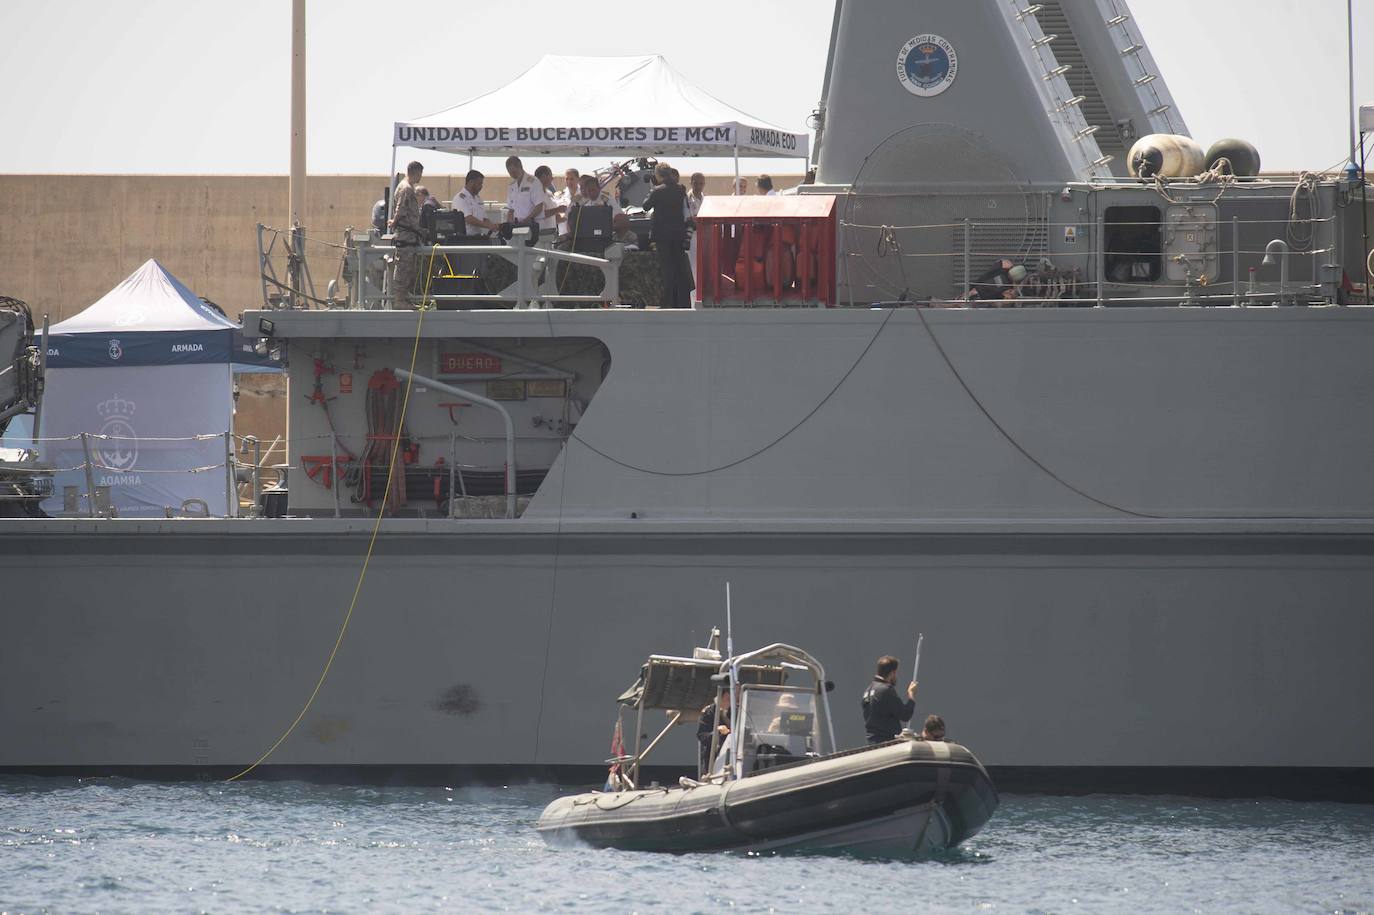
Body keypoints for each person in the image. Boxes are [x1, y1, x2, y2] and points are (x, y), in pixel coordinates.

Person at [642, 164, 693, 309]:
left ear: (658, 175)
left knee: (667, 270)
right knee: (680, 269)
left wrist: (652, 188)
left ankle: (668, 303)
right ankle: (682, 302)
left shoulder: (657, 190)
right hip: (678, 235)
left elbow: (645, 206)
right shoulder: (680, 190)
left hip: (662, 236)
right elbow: (685, 211)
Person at [388, 160, 425, 308]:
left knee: (409, 267)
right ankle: (399, 300)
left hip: (410, 234)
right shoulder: (406, 188)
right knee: (403, 266)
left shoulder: (406, 187)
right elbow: (401, 208)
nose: (420, 177)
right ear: (415, 172)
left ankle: (404, 298)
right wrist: (394, 221)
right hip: (406, 235)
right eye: (420, 174)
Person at [861, 655, 917, 743]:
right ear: (892, 673)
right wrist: (911, 694)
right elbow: (905, 715)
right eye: (896, 673)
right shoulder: (886, 690)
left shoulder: (867, 692)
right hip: (887, 742)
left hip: (872, 743)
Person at [503, 156, 545, 239]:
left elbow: (539, 206)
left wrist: (526, 220)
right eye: (510, 172)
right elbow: (511, 209)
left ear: (520, 167)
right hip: (516, 227)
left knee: (530, 251)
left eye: (514, 171)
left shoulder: (533, 182)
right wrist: (509, 223)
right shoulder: (512, 186)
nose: (512, 175)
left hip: (532, 225)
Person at [451, 170, 500, 237]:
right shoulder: (460, 198)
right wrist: (489, 226)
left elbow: (484, 218)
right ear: (471, 182)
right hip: (465, 238)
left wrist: (494, 226)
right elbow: (469, 219)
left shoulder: (478, 199)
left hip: (477, 237)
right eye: (479, 184)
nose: (481, 187)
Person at [697, 690, 733, 775]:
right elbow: (701, 736)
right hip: (713, 758)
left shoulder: (735, 711)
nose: (730, 702)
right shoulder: (709, 712)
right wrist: (717, 732)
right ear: (720, 698)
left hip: (731, 756)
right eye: (727, 699)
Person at [533, 165, 563, 242]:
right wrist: (558, 209)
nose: (552, 178)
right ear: (543, 176)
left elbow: (554, 215)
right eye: (550, 176)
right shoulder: (536, 193)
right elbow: (540, 214)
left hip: (550, 234)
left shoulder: (548, 193)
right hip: (540, 235)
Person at [555, 168, 580, 241]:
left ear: (578, 179)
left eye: (572, 179)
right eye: (567, 179)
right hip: (563, 236)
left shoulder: (584, 195)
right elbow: (556, 218)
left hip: (580, 235)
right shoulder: (559, 196)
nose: (569, 182)